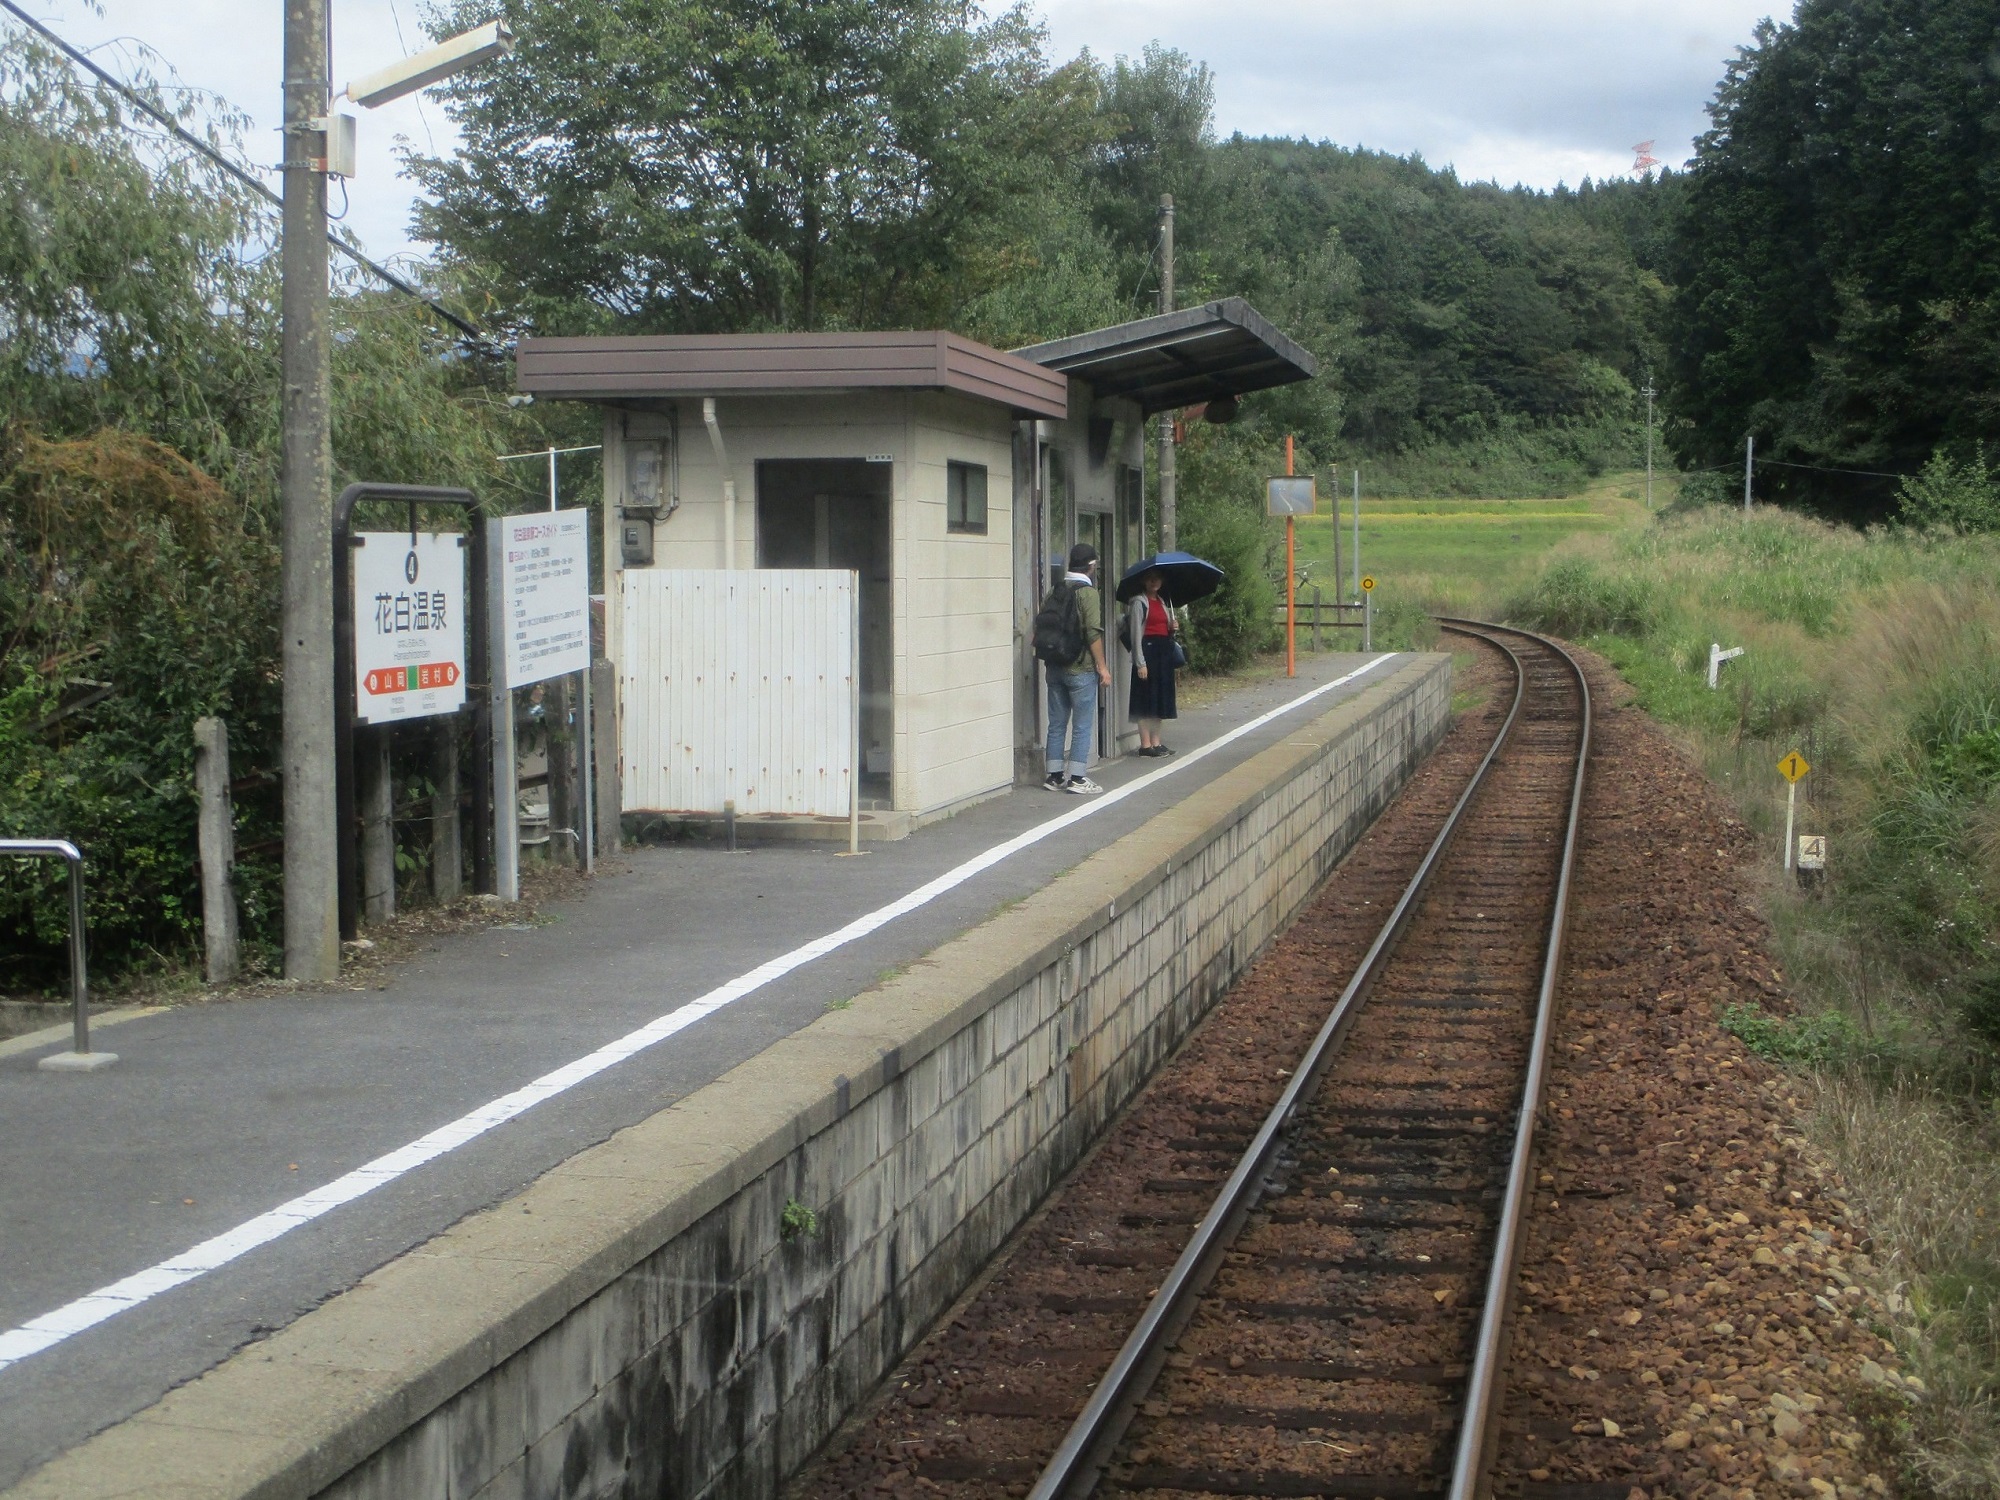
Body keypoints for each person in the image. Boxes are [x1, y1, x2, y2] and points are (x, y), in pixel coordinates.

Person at [1045, 542, 1111, 794]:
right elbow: (1093, 633)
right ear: (1092, 566)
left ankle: (1053, 776)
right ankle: (1077, 778)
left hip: (1054, 667)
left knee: (1057, 723)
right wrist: (1102, 668)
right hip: (1079, 668)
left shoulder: (1055, 590)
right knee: (1082, 724)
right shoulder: (1088, 593)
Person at [1125, 568, 1178, 756]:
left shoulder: (1163, 602)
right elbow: (1135, 635)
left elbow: (1164, 630)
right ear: (1144, 582)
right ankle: (1145, 745)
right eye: (1150, 579)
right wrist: (1140, 663)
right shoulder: (1140, 603)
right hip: (1147, 651)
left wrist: (1172, 628)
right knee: (1145, 699)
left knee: (1159, 699)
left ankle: (1156, 743)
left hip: (1163, 653)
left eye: (1157, 579)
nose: (1154, 582)